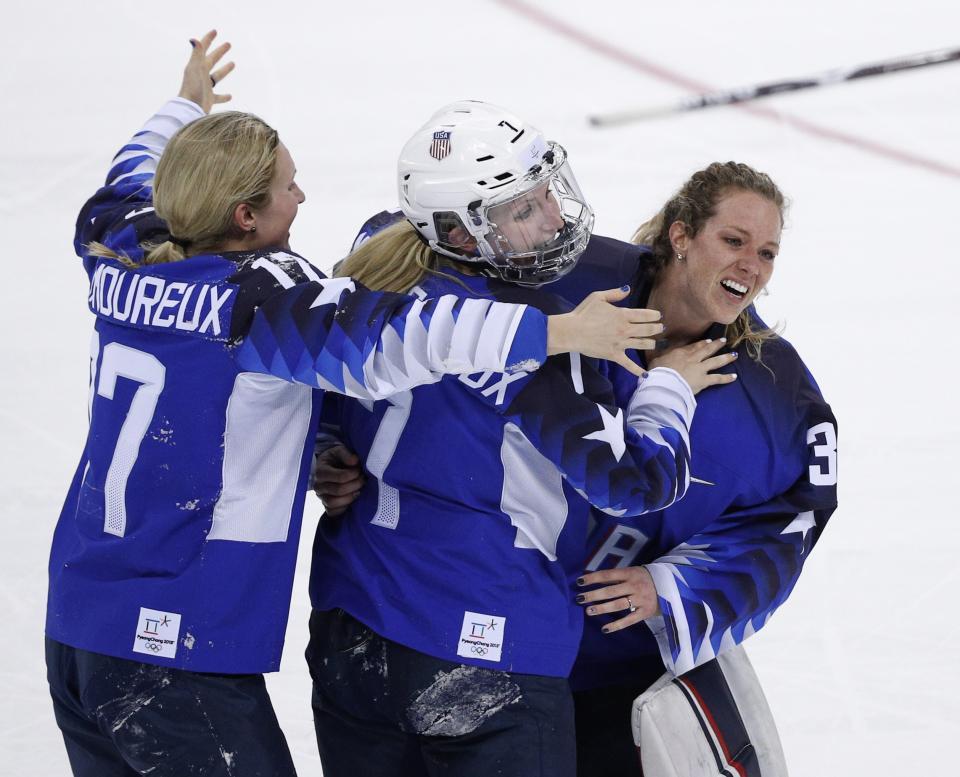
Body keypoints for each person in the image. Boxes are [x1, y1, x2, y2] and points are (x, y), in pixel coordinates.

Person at [44, 36, 666, 777]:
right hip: (173, 643)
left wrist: (185, 106)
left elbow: (130, 171)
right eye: (286, 188)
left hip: (76, 627)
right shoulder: (260, 306)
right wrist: (557, 329)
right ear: (245, 216)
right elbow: (402, 338)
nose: (302, 198)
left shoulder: (120, 242)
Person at [304, 101, 737, 777]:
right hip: (486, 645)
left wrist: (326, 450)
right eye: (523, 210)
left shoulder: (372, 264)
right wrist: (669, 388)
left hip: (352, 632)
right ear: (460, 230)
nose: (556, 219)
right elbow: (635, 483)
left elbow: (317, 384)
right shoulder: (539, 340)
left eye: (546, 194)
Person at [550, 162, 839, 776]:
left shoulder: (773, 392)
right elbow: (428, 293)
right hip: (487, 640)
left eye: (766, 252)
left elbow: (792, 516)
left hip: (618, 672)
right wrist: (342, 443)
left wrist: (671, 587)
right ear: (681, 236)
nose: (750, 267)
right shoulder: (570, 283)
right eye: (733, 241)